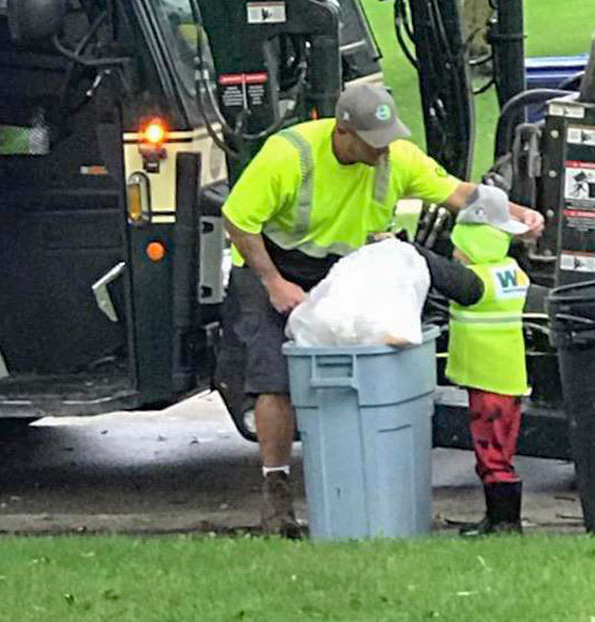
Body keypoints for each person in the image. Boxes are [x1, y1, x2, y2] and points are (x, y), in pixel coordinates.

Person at [220, 85, 543, 537]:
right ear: (343, 132)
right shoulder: (289, 155)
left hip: (341, 264)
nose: (384, 147)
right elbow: (239, 220)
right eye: (374, 139)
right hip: (272, 263)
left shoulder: (397, 158)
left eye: (388, 136)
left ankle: (355, 479)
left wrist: (514, 213)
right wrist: (274, 284)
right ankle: (276, 493)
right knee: (275, 376)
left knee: (367, 358)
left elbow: (458, 194)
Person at [443, 185, 531, 535]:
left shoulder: (475, 282)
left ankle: (504, 522)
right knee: (501, 450)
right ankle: (500, 519)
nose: (454, 253)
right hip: (508, 379)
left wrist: (403, 247)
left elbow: (439, 274)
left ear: (475, 242)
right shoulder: (510, 272)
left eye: (458, 245)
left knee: (491, 453)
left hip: (488, 381)